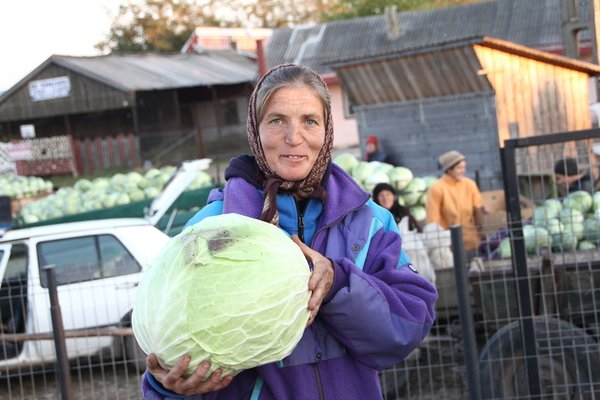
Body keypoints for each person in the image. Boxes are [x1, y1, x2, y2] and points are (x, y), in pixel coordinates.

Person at [141, 64, 437, 400]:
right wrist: (168, 387)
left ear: (327, 131)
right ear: (255, 128)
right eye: (277, 120)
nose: (294, 137)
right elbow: (172, 344)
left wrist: (339, 284)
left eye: (310, 121)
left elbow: (409, 327)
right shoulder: (212, 229)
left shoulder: (369, 223)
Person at [425, 150, 488, 258]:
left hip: (472, 242)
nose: (463, 171)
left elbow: (478, 209)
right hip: (449, 247)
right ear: (449, 169)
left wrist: (482, 210)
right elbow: (433, 220)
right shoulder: (436, 189)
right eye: (459, 168)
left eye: (464, 167)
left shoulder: (470, 185)